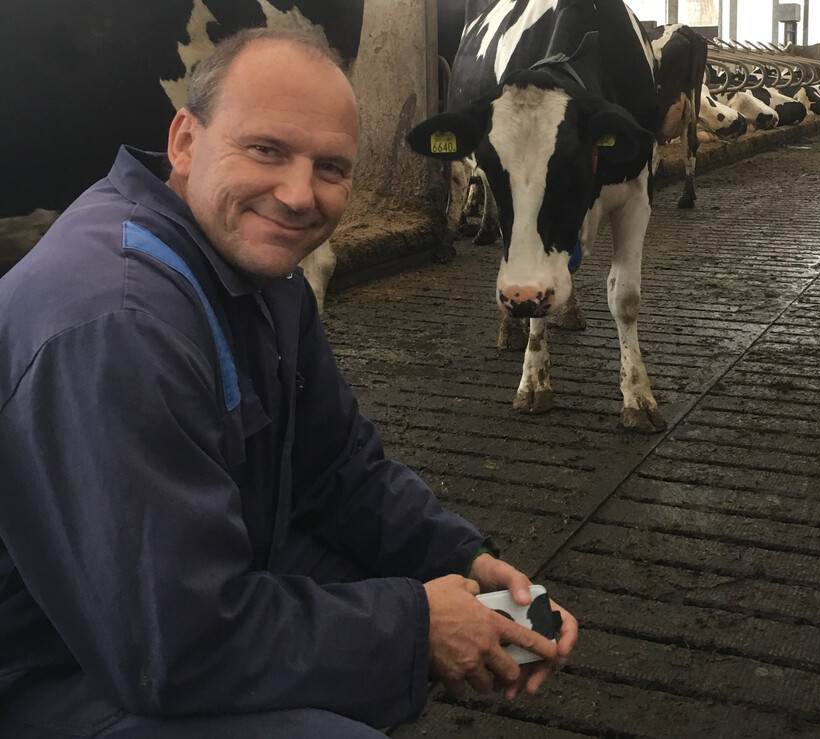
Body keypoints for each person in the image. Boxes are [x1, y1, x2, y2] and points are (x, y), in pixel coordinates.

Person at [0, 27, 576, 737]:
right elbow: (173, 645)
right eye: (266, 150)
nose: (300, 195)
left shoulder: (260, 272)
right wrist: (418, 626)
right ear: (184, 141)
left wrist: (467, 561)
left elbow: (338, 467)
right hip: (45, 664)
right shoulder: (118, 326)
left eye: (330, 167)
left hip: (164, 605)